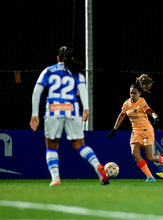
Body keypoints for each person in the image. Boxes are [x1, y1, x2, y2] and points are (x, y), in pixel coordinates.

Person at [29, 46, 109, 186]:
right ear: (72, 58)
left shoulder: (48, 70)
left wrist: (34, 114)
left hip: (54, 110)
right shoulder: (77, 74)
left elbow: (37, 91)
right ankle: (97, 165)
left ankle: (56, 178)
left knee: (52, 146)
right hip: (72, 110)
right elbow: (83, 91)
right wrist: (86, 109)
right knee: (80, 145)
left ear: (58, 58)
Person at [106, 74, 163, 182]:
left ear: (139, 93)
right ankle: (149, 177)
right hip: (136, 132)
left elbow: (150, 111)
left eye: (134, 93)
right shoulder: (126, 104)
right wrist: (114, 129)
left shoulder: (141, 102)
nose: (132, 95)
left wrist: (155, 117)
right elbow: (121, 116)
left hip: (146, 130)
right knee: (134, 153)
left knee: (150, 157)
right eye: (131, 93)